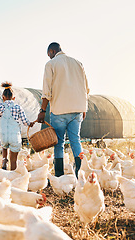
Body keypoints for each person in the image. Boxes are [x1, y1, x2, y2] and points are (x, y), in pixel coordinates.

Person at [36, 42, 90, 177]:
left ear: (52, 51)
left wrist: (42, 111)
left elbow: (47, 90)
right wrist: (83, 108)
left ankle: (59, 176)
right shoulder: (78, 63)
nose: (49, 58)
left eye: (49, 55)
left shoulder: (51, 64)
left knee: (59, 143)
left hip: (59, 111)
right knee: (75, 141)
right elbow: (86, 89)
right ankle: (80, 174)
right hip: (77, 110)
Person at [0, 82, 34, 170]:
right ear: (14, 98)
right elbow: (25, 121)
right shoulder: (18, 107)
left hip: (3, 134)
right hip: (14, 136)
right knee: (14, 160)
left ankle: (4, 161)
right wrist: (30, 123)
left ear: (3, 98)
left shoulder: (1, 106)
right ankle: (12, 171)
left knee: (4, 146)